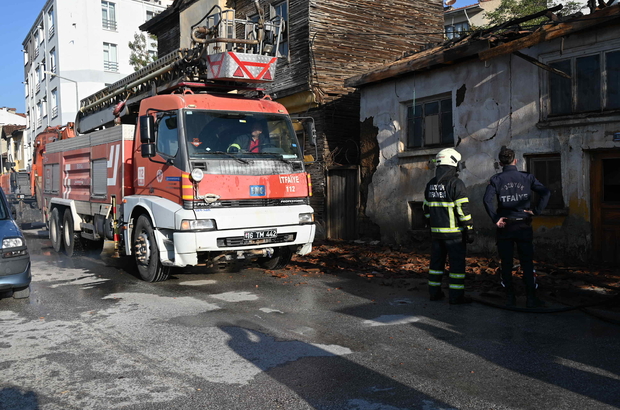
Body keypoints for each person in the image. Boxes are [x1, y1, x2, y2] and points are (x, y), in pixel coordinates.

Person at [483, 146, 551, 308]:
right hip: (523, 225)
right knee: (527, 262)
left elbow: (486, 200)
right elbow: (546, 193)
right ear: (516, 160)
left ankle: (510, 298)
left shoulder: (496, 179)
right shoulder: (527, 178)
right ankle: (531, 298)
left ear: (500, 163)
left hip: (505, 226)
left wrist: (495, 219)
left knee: (506, 263)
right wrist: (536, 210)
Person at [423, 148, 474, 305]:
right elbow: (462, 210)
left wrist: (432, 223)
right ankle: (456, 297)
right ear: (453, 164)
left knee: (436, 265)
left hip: (436, 234)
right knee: (456, 267)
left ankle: (434, 293)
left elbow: (426, 208)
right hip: (454, 236)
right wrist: (469, 229)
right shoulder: (456, 184)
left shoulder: (431, 184)